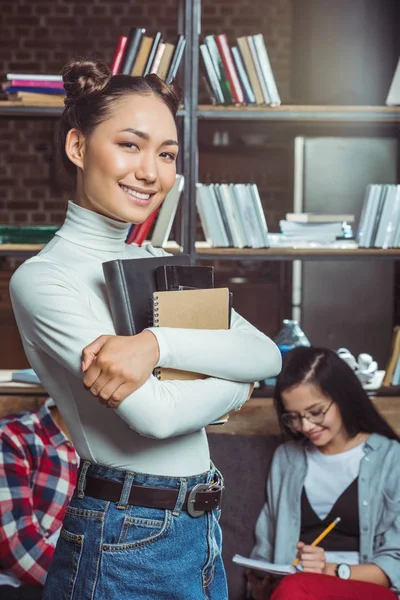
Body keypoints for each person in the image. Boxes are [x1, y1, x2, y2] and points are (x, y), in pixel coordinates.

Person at [9, 58, 282, 600]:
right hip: (124, 534)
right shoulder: (43, 279)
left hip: (200, 526)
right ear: (78, 148)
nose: (151, 172)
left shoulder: (157, 261)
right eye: (130, 145)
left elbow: (268, 354)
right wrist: (235, 386)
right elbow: (154, 416)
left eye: (166, 154)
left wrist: (157, 342)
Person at [247, 346, 400, 600]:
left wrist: (329, 570)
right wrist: (261, 584)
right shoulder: (286, 459)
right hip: (293, 590)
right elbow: (266, 544)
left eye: (316, 412)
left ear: (343, 398)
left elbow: (396, 562)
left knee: (296, 589)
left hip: (364, 589)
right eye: (294, 417)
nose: (306, 426)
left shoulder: (391, 457)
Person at [0, 398, 78, 600]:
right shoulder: (14, 437)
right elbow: (17, 544)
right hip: (22, 584)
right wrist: (86, 584)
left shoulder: (113, 450)